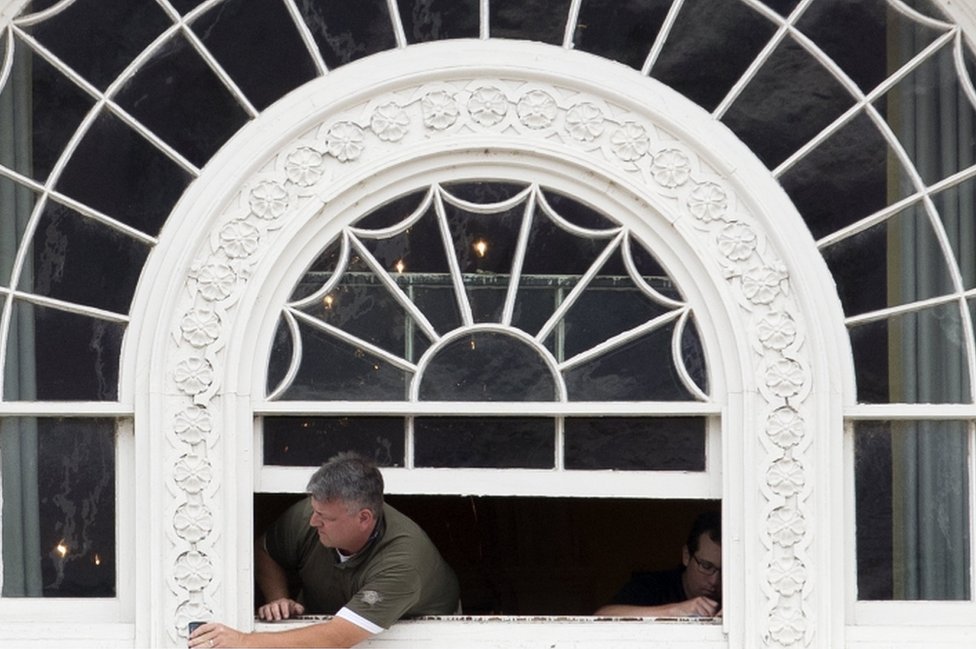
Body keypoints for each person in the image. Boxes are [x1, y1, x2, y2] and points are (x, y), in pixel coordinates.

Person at [189, 452, 460, 648]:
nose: (313, 521)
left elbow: (336, 638)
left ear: (364, 518)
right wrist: (278, 598)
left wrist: (243, 642)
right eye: (315, 510)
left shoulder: (403, 562)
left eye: (325, 517)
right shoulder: (314, 514)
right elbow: (264, 549)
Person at [595, 511, 721, 618]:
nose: (714, 581)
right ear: (686, 556)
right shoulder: (653, 587)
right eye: (706, 566)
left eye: (725, 571)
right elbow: (600, 618)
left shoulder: (736, 596)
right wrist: (673, 612)